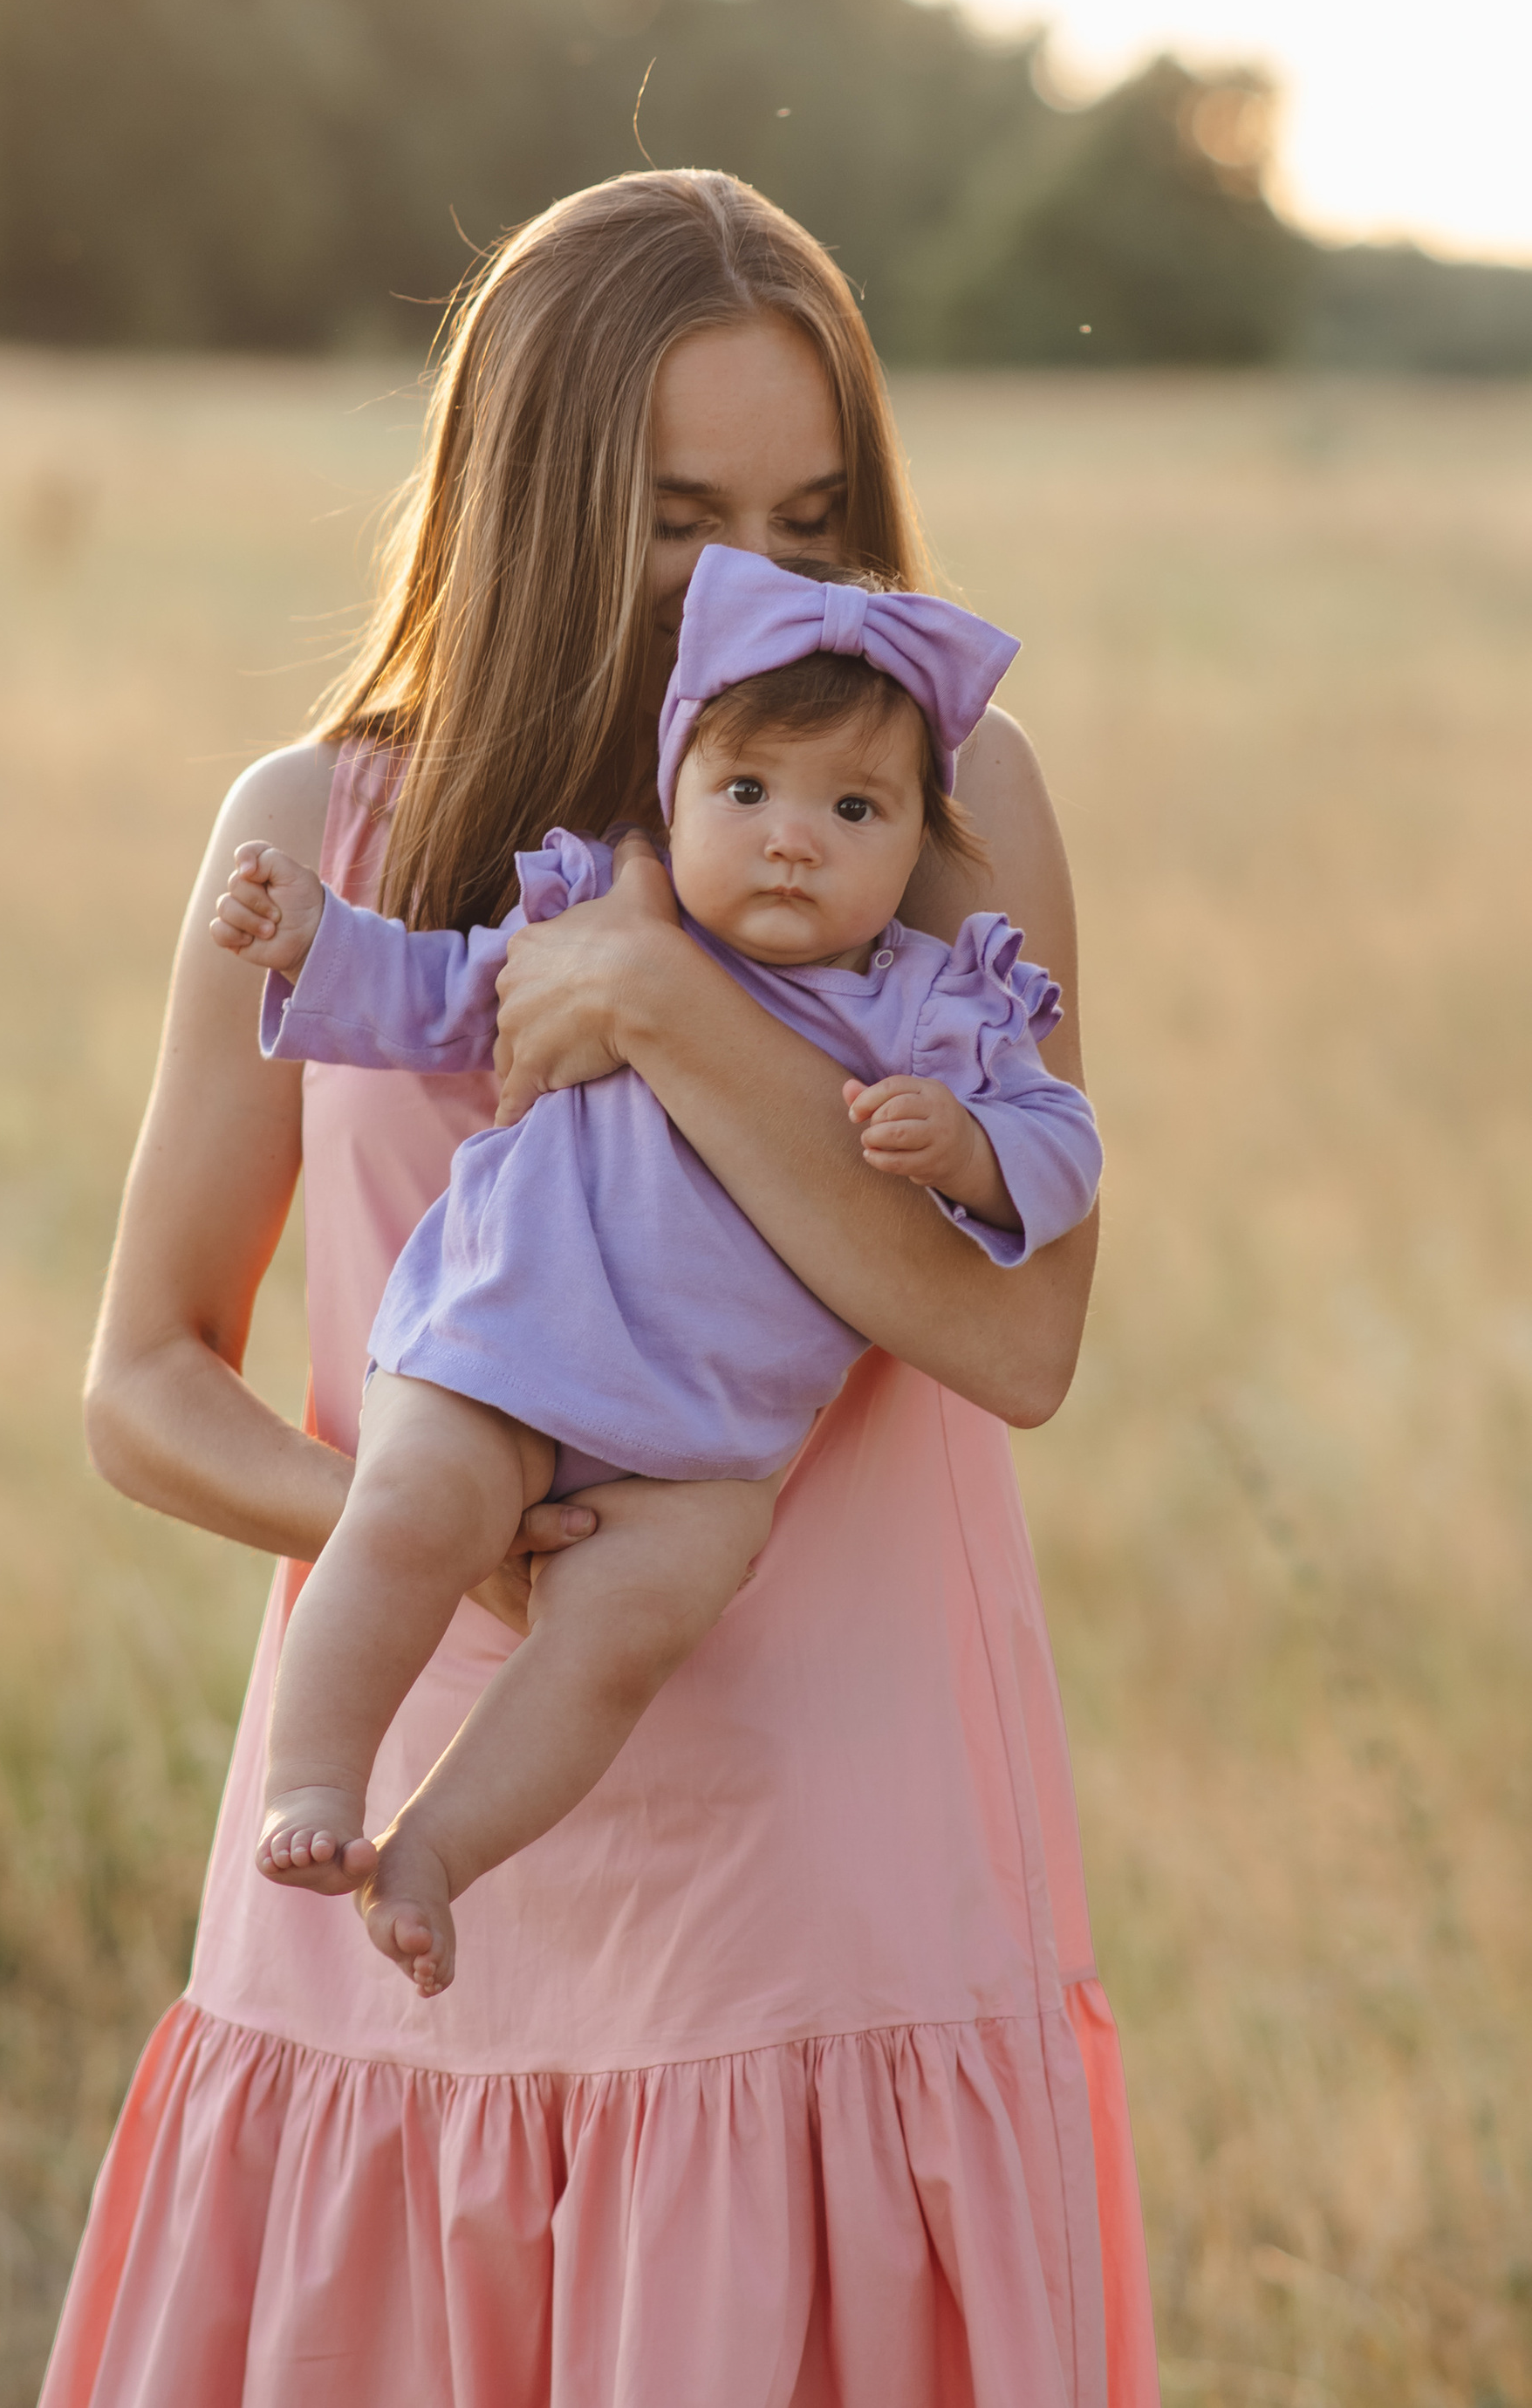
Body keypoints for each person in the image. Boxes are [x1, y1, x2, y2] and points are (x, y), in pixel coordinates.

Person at [44, 171, 1160, 2408]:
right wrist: (427, 1534)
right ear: (530, 499)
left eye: (812, 520)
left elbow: (1016, 1340)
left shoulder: (944, 818)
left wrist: (666, 1005)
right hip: (387, 1827)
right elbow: (146, 1377)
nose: (752, 584)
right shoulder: (319, 822)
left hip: (823, 1891)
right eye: (675, 521)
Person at [212, 545, 1104, 1998]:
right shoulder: (591, 924)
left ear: (914, 846)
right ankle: (311, 1783)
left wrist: (970, 1149)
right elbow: (434, 995)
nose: (793, 839)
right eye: (746, 792)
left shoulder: (927, 1015)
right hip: (501, 1350)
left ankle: (436, 1844)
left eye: (854, 809)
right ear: (674, 795)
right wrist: (318, 939)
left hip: (706, 1447)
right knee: (410, 1508)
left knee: (622, 1635)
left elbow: (1067, 1145)